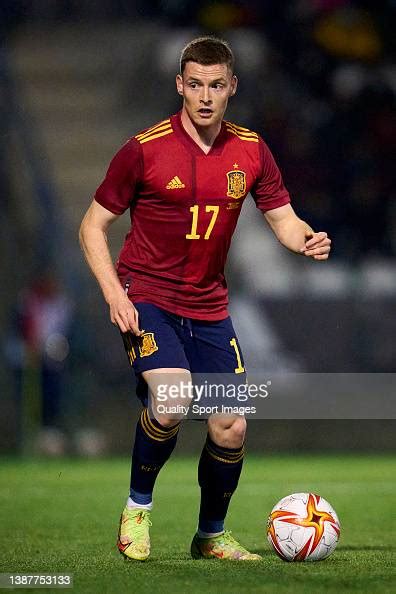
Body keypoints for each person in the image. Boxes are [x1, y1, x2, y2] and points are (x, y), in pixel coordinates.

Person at [79, 36, 331, 562]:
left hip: (210, 308)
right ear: (179, 86)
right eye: (195, 84)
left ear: (232, 87)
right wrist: (112, 295)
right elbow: (92, 226)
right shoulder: (144, 149)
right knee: (171, 399)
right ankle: (137, 509)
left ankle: (211, 535)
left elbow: (282, 219)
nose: (205, 96)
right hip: (146, 295)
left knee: (231, 425)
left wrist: (304, 237)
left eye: (216, 85)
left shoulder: (251, 150)